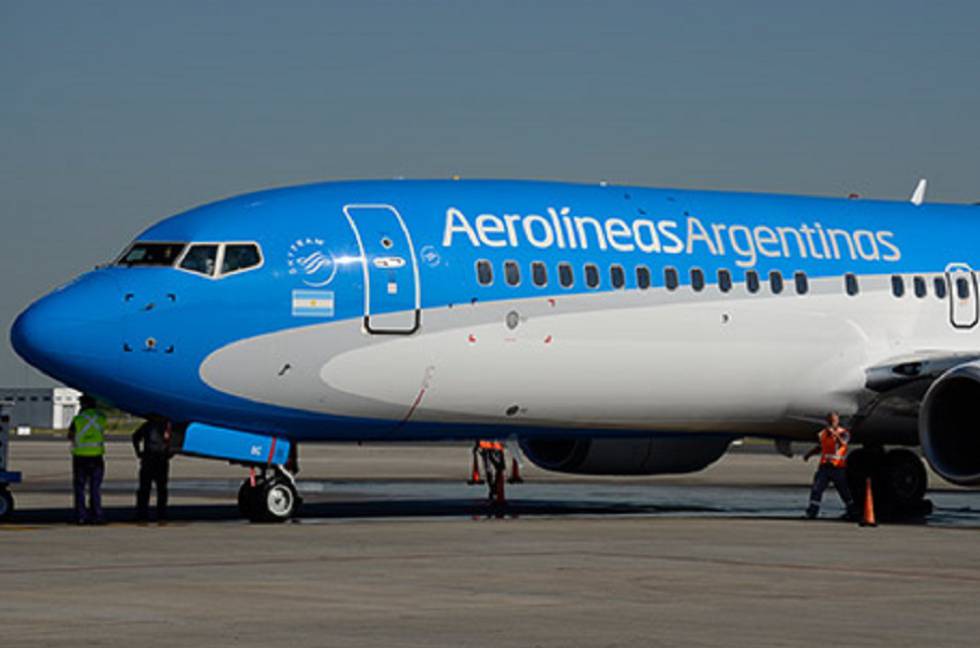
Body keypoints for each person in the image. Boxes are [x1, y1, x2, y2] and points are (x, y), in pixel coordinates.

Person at [803, 412, 857, 520]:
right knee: (817, 489)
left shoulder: (843, 433)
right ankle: (812, 512)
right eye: (830, 420)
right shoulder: (823, 433)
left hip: (837, 468)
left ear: (838, 421)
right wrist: (809, 454)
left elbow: (843, 443)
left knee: (844, 491)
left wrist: (835, 434)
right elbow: (820, 446)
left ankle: (853, 512)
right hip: (824, 467)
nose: (832, 422)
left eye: (834, 420)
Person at [68, 395, 107, 525]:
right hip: (96, 457)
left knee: (80, 488)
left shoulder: (78, 419)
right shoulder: (100, 418)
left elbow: (70, 435)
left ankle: (81, 516)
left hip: (80, 457)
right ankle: (97, 516)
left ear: (83, 405)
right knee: (95, 488)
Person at [132, 415, 174, 522]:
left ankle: (142, 515)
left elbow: (135, 437)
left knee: (146, 489)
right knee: (161, 489)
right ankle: (161, 515)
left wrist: (138, 452)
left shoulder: (148, 425)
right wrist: (170, 453)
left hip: (150, 459)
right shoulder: (166, 426)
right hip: (159, 459)